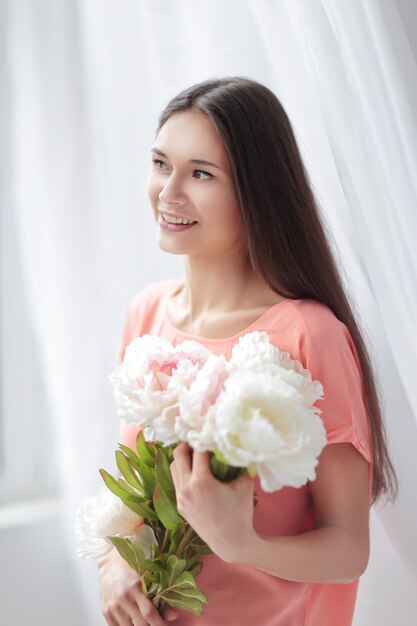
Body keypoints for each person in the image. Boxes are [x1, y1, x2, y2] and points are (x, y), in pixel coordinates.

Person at [98, 76, 398, 626]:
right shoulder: (147, 315)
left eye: (201, 174)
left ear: (256, 191)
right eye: (162, 164)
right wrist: (115, 569)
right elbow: (133, 505)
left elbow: (349, 549)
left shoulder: (310, 334)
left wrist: (243, 545)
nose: (169, 192)